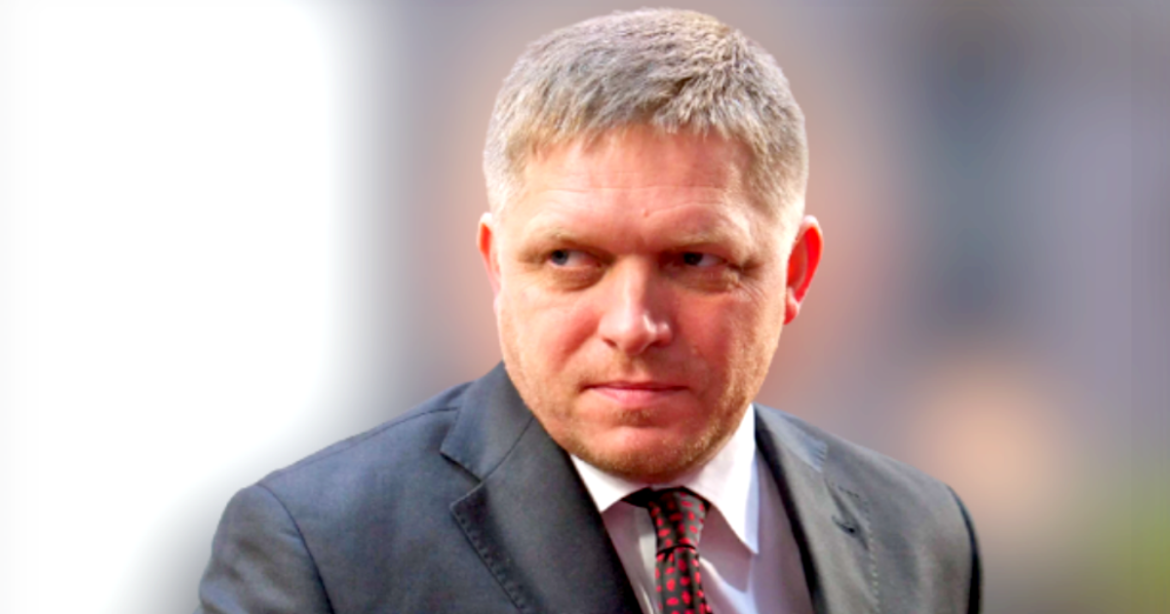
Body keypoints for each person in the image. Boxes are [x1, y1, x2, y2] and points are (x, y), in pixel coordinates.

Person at [195, 8, 980, 614]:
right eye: (569, 259)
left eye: (694, 260)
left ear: (796, 273)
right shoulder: (318, 553)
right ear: (496, 266)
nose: (633, 325)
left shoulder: (922, 534)